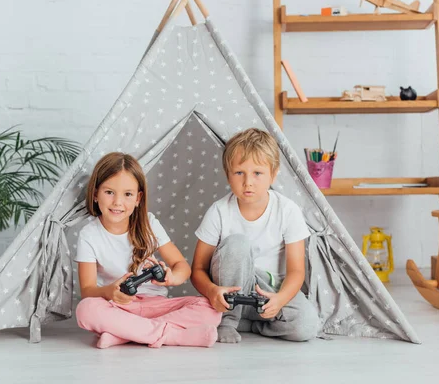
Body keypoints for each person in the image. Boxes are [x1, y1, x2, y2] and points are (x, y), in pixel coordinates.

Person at [75, 152, 221, 348]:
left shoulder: (149, 224)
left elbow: (182, 266)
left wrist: (172, 277)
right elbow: (87, 290)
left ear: (138, 198)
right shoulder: (89, 234)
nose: (118, 202)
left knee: (210, 309)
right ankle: (171, 336)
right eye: (109, 192)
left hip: (156, 305)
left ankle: (123, 335)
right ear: (95, 194)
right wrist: (110, 292)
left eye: (127, 194)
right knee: (86, 309)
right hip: (119, 307)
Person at [191, 128, 319, 343]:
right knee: (237, 243)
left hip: (269, 292)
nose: (248, 182)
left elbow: (297, 271)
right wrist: (213, 291)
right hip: (231, 289)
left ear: (274, 173)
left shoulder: (287, 210)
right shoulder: (219, 211)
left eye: (257, 173)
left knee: (306, 326)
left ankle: (251, 324)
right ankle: (228, 321)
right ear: (227, 174)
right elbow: (197, 270)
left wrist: (280, 299)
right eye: (239, 173)